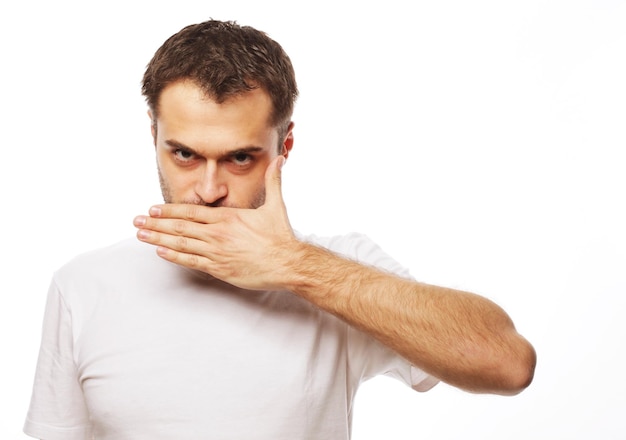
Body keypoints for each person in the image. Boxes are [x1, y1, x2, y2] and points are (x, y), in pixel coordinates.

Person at [24, 19, 536, 440]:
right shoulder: (83, 285)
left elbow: (509, 364)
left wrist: (295, 267)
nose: (207, 189)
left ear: (284, 146)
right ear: (153, 135)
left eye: (240, 158)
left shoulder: (335, 269)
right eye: (184, 153)